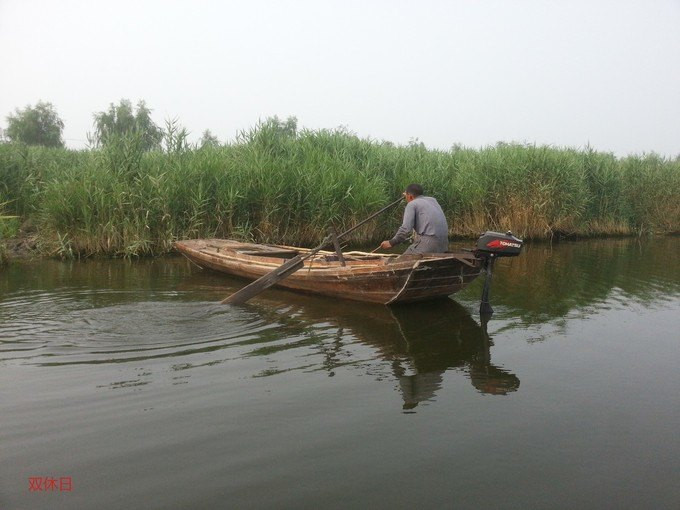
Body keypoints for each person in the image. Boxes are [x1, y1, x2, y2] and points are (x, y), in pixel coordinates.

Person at [380, 183, 449, 254]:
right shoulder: (433, 200)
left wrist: (391, 242)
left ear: (410, 197)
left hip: (429, 245)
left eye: (406, 196)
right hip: (443, 245)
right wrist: (407, 194)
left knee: (401, 261)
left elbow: (405, 229)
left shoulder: (412, 204)